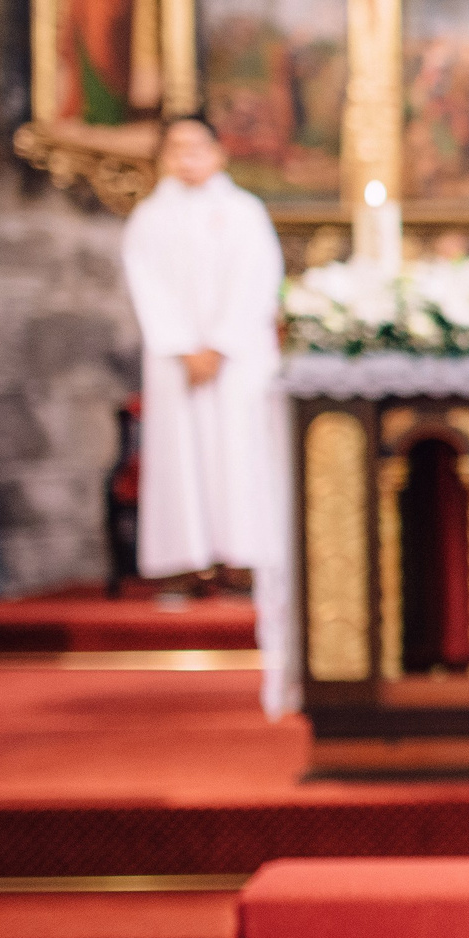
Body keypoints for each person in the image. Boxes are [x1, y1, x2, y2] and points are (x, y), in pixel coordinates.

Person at [120, 116, 295, 709]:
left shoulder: (245, 211)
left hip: (236, 357)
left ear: (219, 154)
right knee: (180, 457)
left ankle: (243, 560)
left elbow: (258, 281)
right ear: (164, 156)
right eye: (176, 147)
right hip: (176, 359)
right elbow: (146, 286)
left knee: (238, 453)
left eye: (197, 146)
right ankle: (184, 562)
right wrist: (181, 343)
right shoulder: (149, 216)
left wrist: (219, 342)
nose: (187, 157)